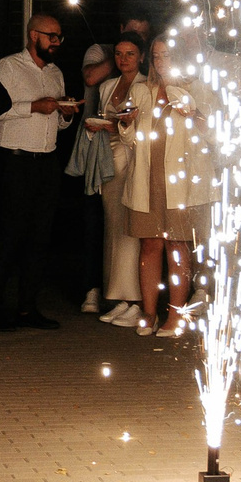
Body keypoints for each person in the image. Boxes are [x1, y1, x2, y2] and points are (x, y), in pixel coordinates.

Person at [124, 31, 219, 337]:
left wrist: (195, 115)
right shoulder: (142, 90)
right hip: (148, 177)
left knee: (177, 245)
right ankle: (149, 313)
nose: (161, 61)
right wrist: (125, 123)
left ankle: (176, 314)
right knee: (149, 244)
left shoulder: (199, 89)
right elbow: (128, 138)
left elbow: (216, 136)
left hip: (182, 181)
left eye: (167, 55)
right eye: (156, 56)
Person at [0, 13, 71, 329]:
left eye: (59, 36)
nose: (56, 42)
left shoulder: (56, 72)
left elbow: (58, 123)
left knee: (40, 236)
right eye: (51, 36)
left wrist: (65, 114)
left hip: (47, 162)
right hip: (15, 161)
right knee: (8, 235)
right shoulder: (8, 67)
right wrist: (32, 106)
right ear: (34, 35)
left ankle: (27, 307)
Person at [94, 35, 146, 325]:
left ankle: (135, 298)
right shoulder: (107, 86)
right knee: (112, 227)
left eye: (130, 53)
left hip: (135, 159)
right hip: (109, 159)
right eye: (118, 53)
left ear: (141, 57)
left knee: (131, 228)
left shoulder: (146, 85)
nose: (123, 59)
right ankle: (118, 296)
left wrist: (120, 126)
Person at [67, 41, 117, 313]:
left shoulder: (146, 77)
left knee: (123, 227)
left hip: (129, 151)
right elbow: (90, 77)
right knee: (94, 221)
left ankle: (122, 295)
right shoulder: (101, 53)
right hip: (96, 149)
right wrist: (120, 55)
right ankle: (91, 289)